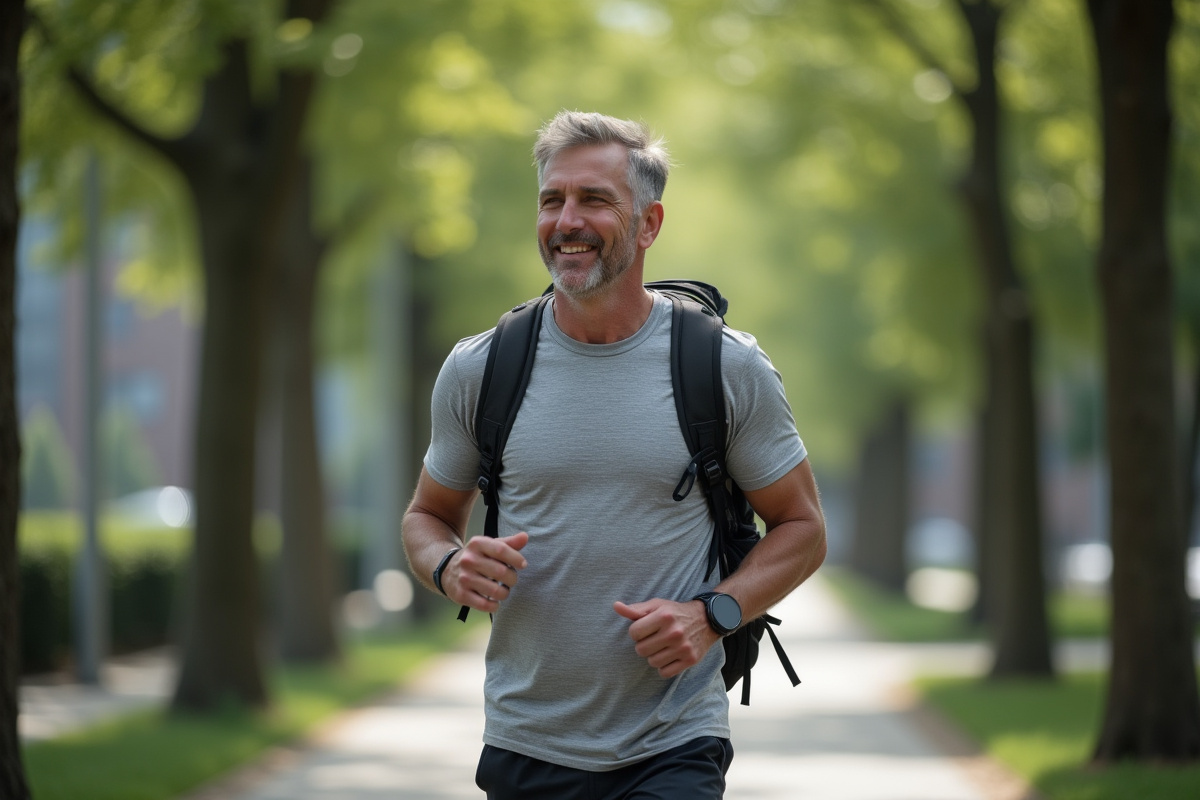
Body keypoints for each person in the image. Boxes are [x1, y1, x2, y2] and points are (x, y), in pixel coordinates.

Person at [402, 110, 827, 800]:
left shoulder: (724, 366)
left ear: (649, 224)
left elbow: (804, 528)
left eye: (594, 199)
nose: (567, 219)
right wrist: (449, 565)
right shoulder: (481, 369)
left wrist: (713, 613)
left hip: (673, 741)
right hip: (524, 741)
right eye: (552, 200)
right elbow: (427, 515)